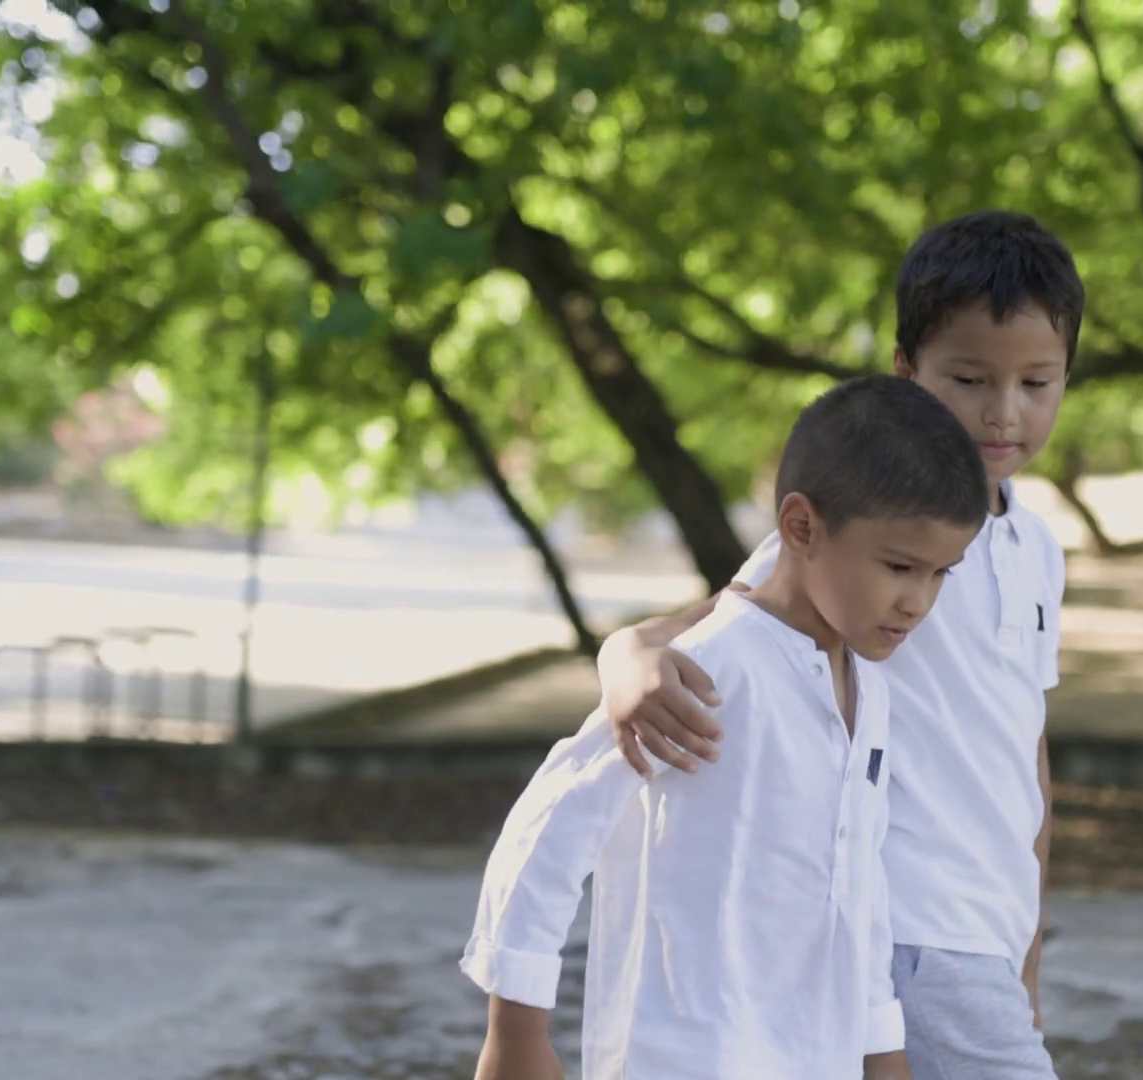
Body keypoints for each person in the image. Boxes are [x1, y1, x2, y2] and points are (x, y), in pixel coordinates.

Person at [597, 210, 1081, 1079]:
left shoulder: (1038, 549)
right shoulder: (875, 534)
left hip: (987, 934)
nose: (1004, 411)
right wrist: (625, 653)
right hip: (904, 924)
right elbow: (731, 613)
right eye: (970, 378)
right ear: (905, 371)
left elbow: (1026, 751)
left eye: (1037, 382)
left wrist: (1028, 951)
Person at [462, 375, 990, 1080]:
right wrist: (516, 1030)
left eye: (940, 574)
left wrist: (880, 1049)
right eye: (899, 567)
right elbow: (552, 825)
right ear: (801, 528)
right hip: (681, 1057)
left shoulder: (872, 695)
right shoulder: (708, 666)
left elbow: (855, 890)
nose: (918, 601)